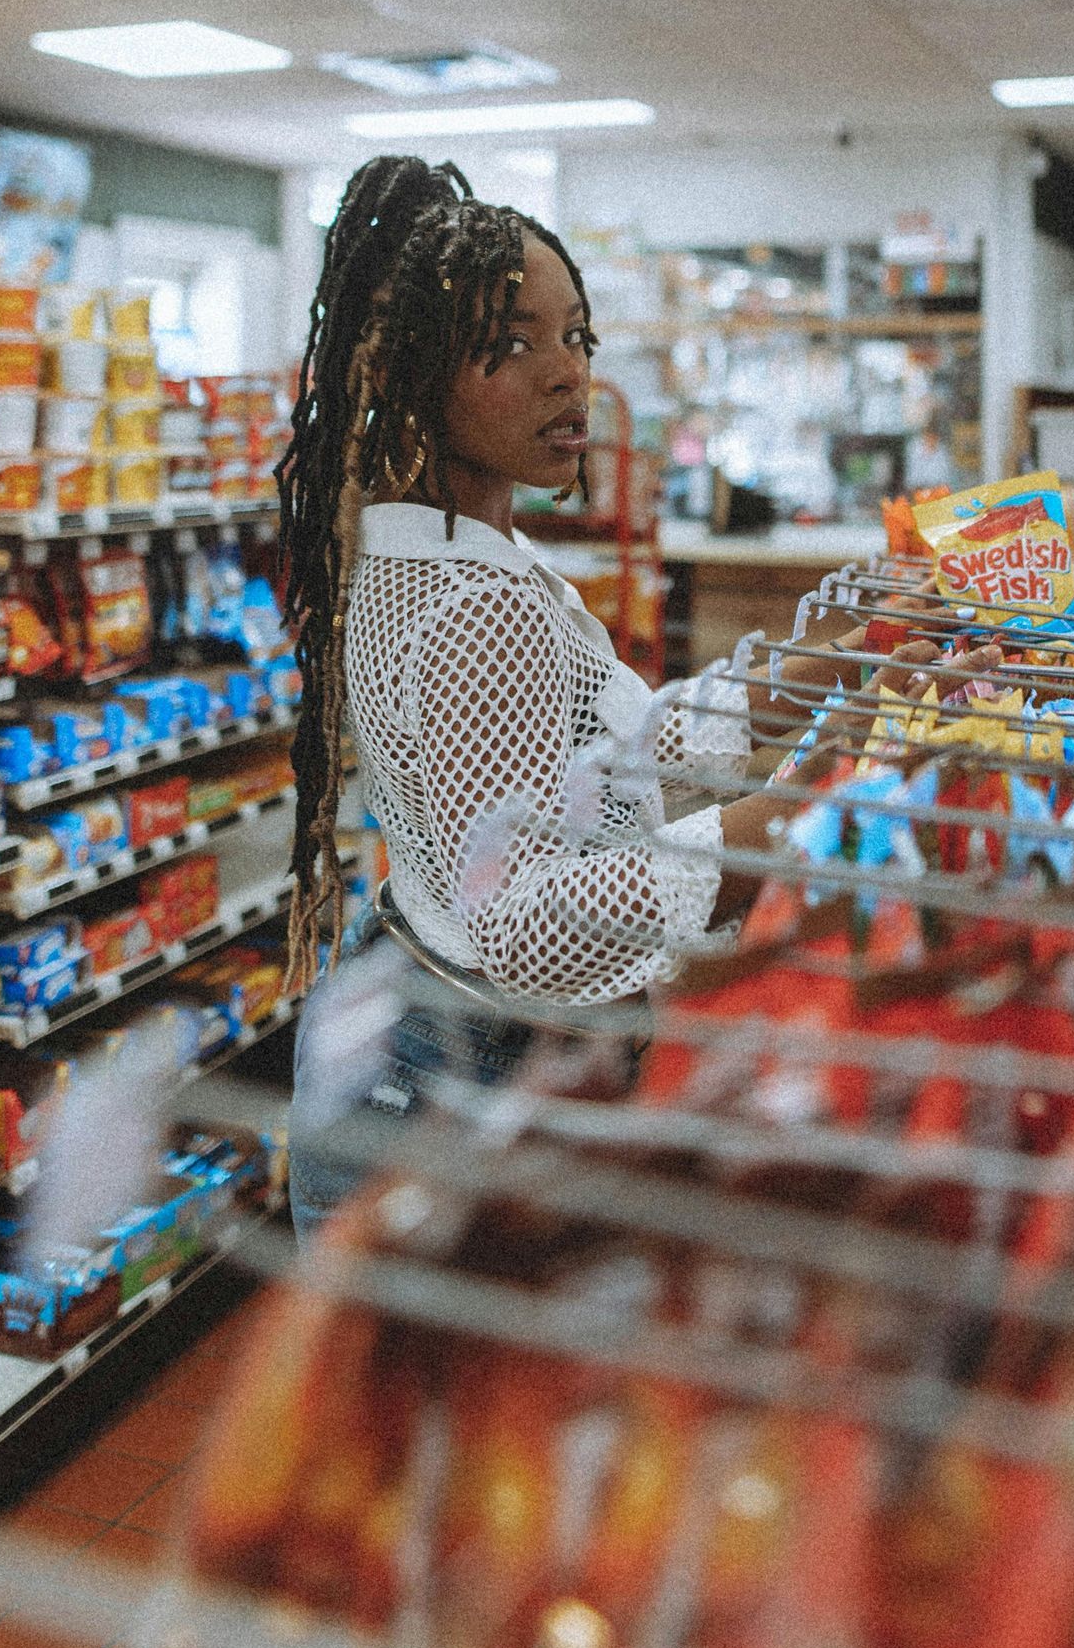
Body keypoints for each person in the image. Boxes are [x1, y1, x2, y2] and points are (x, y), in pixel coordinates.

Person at [277, 156, 863, 1238]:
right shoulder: (468, 603)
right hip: (454, 1082)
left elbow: (614, 762)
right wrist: (785, 832)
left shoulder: (475, 556)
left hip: (420, 1027)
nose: (567, 375)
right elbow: (525, 924)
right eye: (512, 346)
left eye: (577, 336)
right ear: (412, 375)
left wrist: (832, 666)